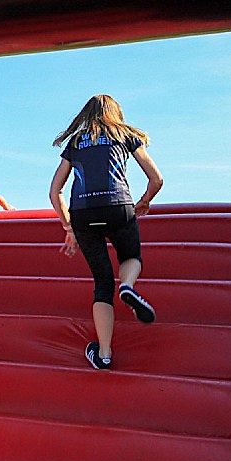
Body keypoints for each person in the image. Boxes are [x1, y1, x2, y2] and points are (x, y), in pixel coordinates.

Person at [48, 94, 164, 370]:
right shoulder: (124, 135)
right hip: (118, 206)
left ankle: (104, 354)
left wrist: (68, 226)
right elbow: (156, 179)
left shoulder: (75, 142)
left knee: (102, 283)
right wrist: (144, 201)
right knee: (130, 256)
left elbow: (55, 191)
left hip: (83, 214)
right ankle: (128, 286)